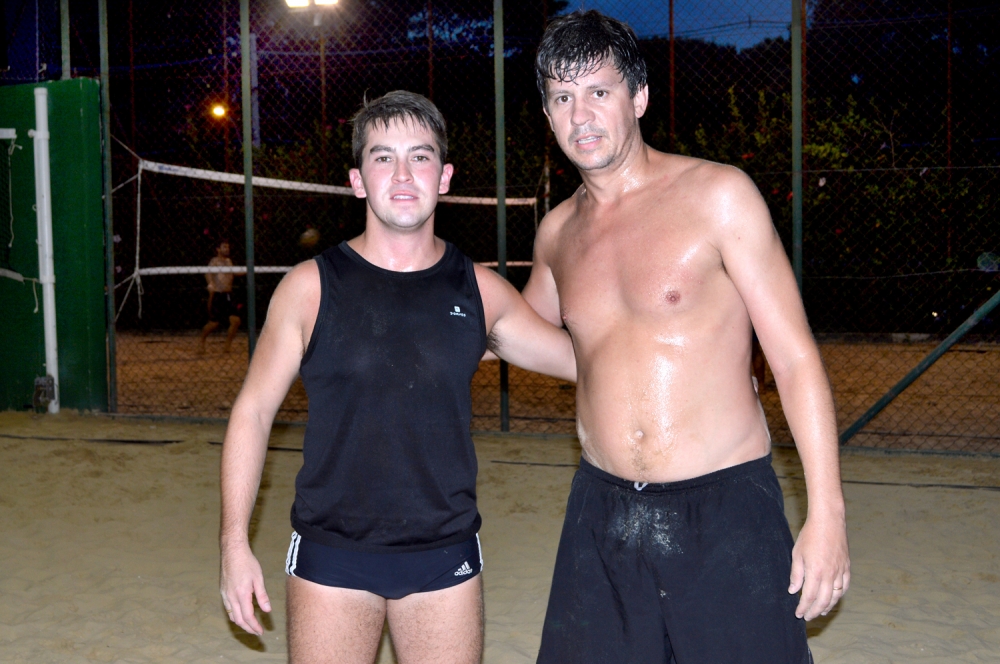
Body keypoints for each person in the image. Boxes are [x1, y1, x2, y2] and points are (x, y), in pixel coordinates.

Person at [522, 11, 850, 663]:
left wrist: (828, 514)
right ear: (548, 115)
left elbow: (793, 358)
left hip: (726, 512)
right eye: (562, 98)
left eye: (599, 91)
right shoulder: (556, 233)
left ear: (639, 97)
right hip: (602, 515)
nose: (580, 115)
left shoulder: (718, 195)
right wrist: (429, 294)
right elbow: (522, 334)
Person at [219, 91, 576, 664]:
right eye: (383, 157)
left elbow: (586, 361)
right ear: (357, 180)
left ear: (445, 177)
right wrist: (234, 544)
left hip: (444, 554)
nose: (403, 174)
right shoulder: (309, 288)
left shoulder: (480, 292)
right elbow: (253, 412)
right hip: (332, 553)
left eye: (421, 156)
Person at [198, 240, 241, 353]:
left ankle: (227, 346)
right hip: (218, 294)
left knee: (236, 321)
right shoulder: (214, 261)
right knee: (214, 323)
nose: (227, 249)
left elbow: (234, 273)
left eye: (228, 247)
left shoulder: (228, 261)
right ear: (218, 249)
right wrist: (210, 284)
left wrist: (249, 270)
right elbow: (208, 273)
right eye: (224, 247)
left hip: (228, 295)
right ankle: (201, 341)